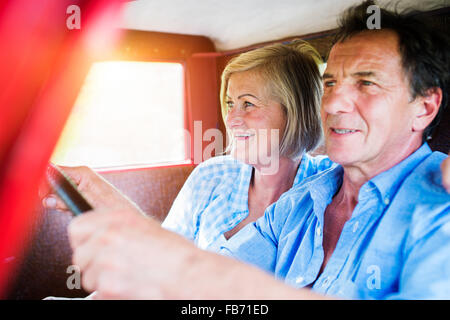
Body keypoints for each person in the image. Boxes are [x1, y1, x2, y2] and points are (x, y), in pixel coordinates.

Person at [64, 0, 450, 299]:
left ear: (425, 107)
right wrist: (99, 198)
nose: (333, 104)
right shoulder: (303, 202)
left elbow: (196, 274)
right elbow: (217, 281)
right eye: (330, 83)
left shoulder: (439, 207)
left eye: (366, 84)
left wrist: (180, 269)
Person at [44, 41, 334, 251]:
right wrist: (100, 195)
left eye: (248, 104)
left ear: (295, 111)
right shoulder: (213, 175)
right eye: (230, 103)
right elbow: (163, 257)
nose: (231, 118)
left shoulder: (329, 189)